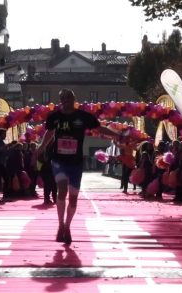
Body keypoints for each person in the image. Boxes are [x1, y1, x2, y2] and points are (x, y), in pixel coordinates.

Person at [35, 88, 122, 245]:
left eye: (69, 97)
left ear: (74, 99)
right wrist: (41, 148)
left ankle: (67, 226)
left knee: (73, 200)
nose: (66, 100)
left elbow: (99, 128)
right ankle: (60, 224)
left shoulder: (83, 117)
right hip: (59, 160)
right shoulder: (54, 117)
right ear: (60, 100)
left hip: (75, 162)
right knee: (62, 190)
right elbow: (49, 133)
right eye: (63, 98)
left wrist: (117, 134)